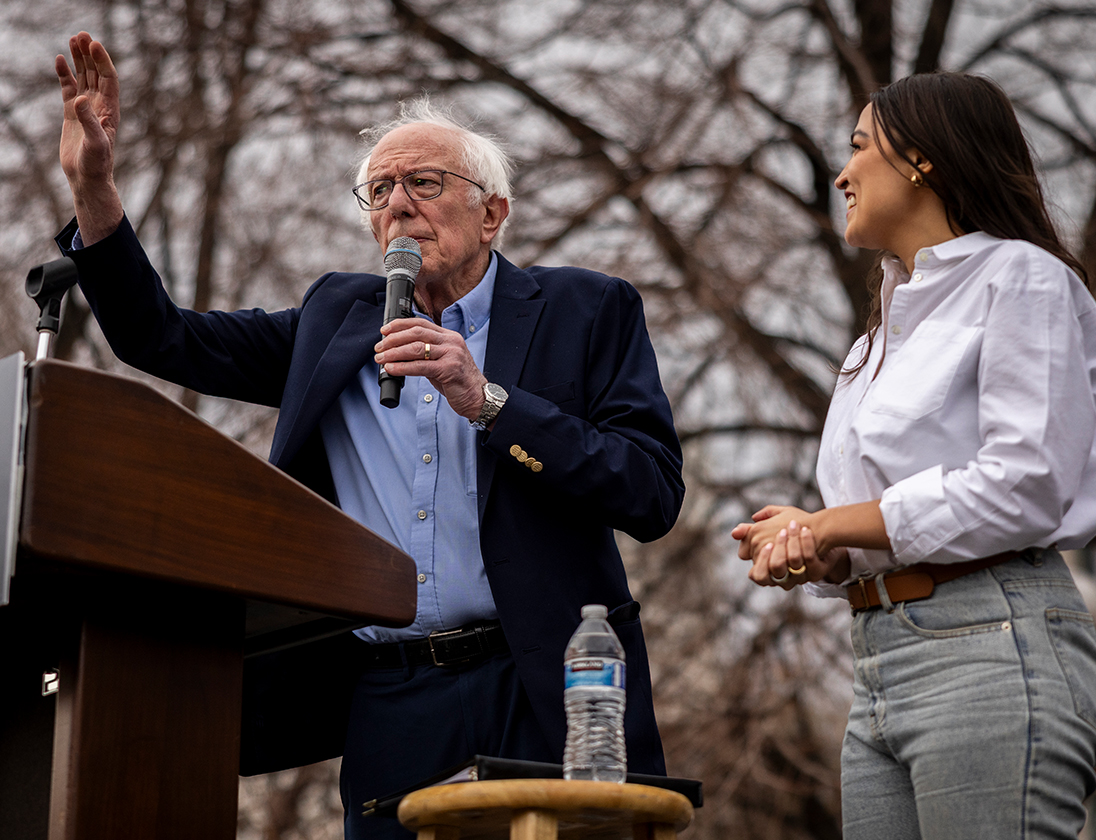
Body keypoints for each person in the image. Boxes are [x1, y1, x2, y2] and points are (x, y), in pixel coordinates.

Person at [53, 32, 683, 839]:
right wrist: (93, 189)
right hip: (391, 696)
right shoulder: (332, 321)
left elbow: (651, 492)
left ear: (493, 212)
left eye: (423, 182)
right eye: (379, 190)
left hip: (543, 684)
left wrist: (485, 399)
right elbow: (163, 339)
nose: (397, 205)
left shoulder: (587, 311)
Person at [731, 72, 1096, 838]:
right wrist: (823, 549)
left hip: (992, 646)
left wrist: (833, 523)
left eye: (857, 147)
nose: (841, 174)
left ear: (922, 158)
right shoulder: (873, 340)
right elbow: (888, 520)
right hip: (877, 661)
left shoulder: (1021, 278)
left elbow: (1025, 485)